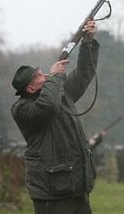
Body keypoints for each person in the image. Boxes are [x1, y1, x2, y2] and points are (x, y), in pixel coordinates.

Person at [11, 20, 98, 214]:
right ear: (31, 88)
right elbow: (48, 106)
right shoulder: (22, 109)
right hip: (51, 193)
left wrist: (87, 43)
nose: (46, 77)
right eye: (40, 76)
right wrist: (56, 76)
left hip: (76, 187)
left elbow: (84, 73)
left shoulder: (59, 91)